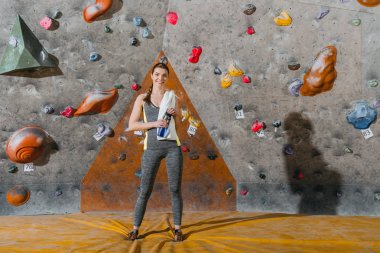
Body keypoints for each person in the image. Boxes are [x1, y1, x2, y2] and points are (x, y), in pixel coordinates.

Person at [126, 62, 183, 242]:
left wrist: (175, 114)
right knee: (145, 190)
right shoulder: (142, 98)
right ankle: (135, 229)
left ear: (167, 78)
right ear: (152, 76)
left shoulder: (171, 96)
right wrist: (153, 124)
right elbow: (132, 125)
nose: (160, 78)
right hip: (151, 149)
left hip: (173, 147)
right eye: (157, 74)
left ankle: (177, 229)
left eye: (164, 75)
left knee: (175, 189)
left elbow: (179, 121)